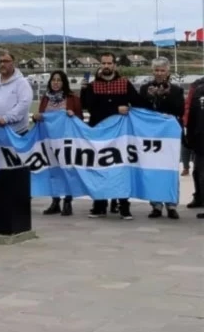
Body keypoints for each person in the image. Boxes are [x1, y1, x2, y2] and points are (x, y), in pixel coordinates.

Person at [80, 52, 140, 220]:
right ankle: (99, 205)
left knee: (121, 169)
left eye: (109, 63)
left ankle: (124, 206)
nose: (106, 66)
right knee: (99, 168)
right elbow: (88, 107)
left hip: (120, 135)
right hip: (99, 132)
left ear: (114, 65)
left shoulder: (124, 84)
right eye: (103, 63)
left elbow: (138, 103)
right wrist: (84, 91)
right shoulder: (93, 86)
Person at [139, 58, 185, 220]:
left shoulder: (177, 90)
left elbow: (179, 110)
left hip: (169, 138)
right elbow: (140, 110)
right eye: (156, 70)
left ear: (168, 72)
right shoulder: (145, 89)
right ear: (153, 71)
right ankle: (156, 205)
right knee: (153, 170)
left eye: (162, 70)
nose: (159, 73)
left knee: (170, 170)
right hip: (151, 137)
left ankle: (171, 205)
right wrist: (152, 98)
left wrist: (164, 97)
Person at [32, 70, 82, 216]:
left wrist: (72, 115)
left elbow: (79, 121)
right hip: (49, 141)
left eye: (59, 80)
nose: (55, 82)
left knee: (67, 170)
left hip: (66, 142)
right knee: (52, 171)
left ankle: (68, 201)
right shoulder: (45, 98)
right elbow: (41, 117)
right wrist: (36, 117)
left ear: (64, 82)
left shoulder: (72, 98)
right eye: (53, 80)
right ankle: (55, 201)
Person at [186, 78, 204, 213]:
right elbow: (189, 109)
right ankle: (199, 197)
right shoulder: (196, 85)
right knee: (198, 171)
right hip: (199, 136)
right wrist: (189, 134)